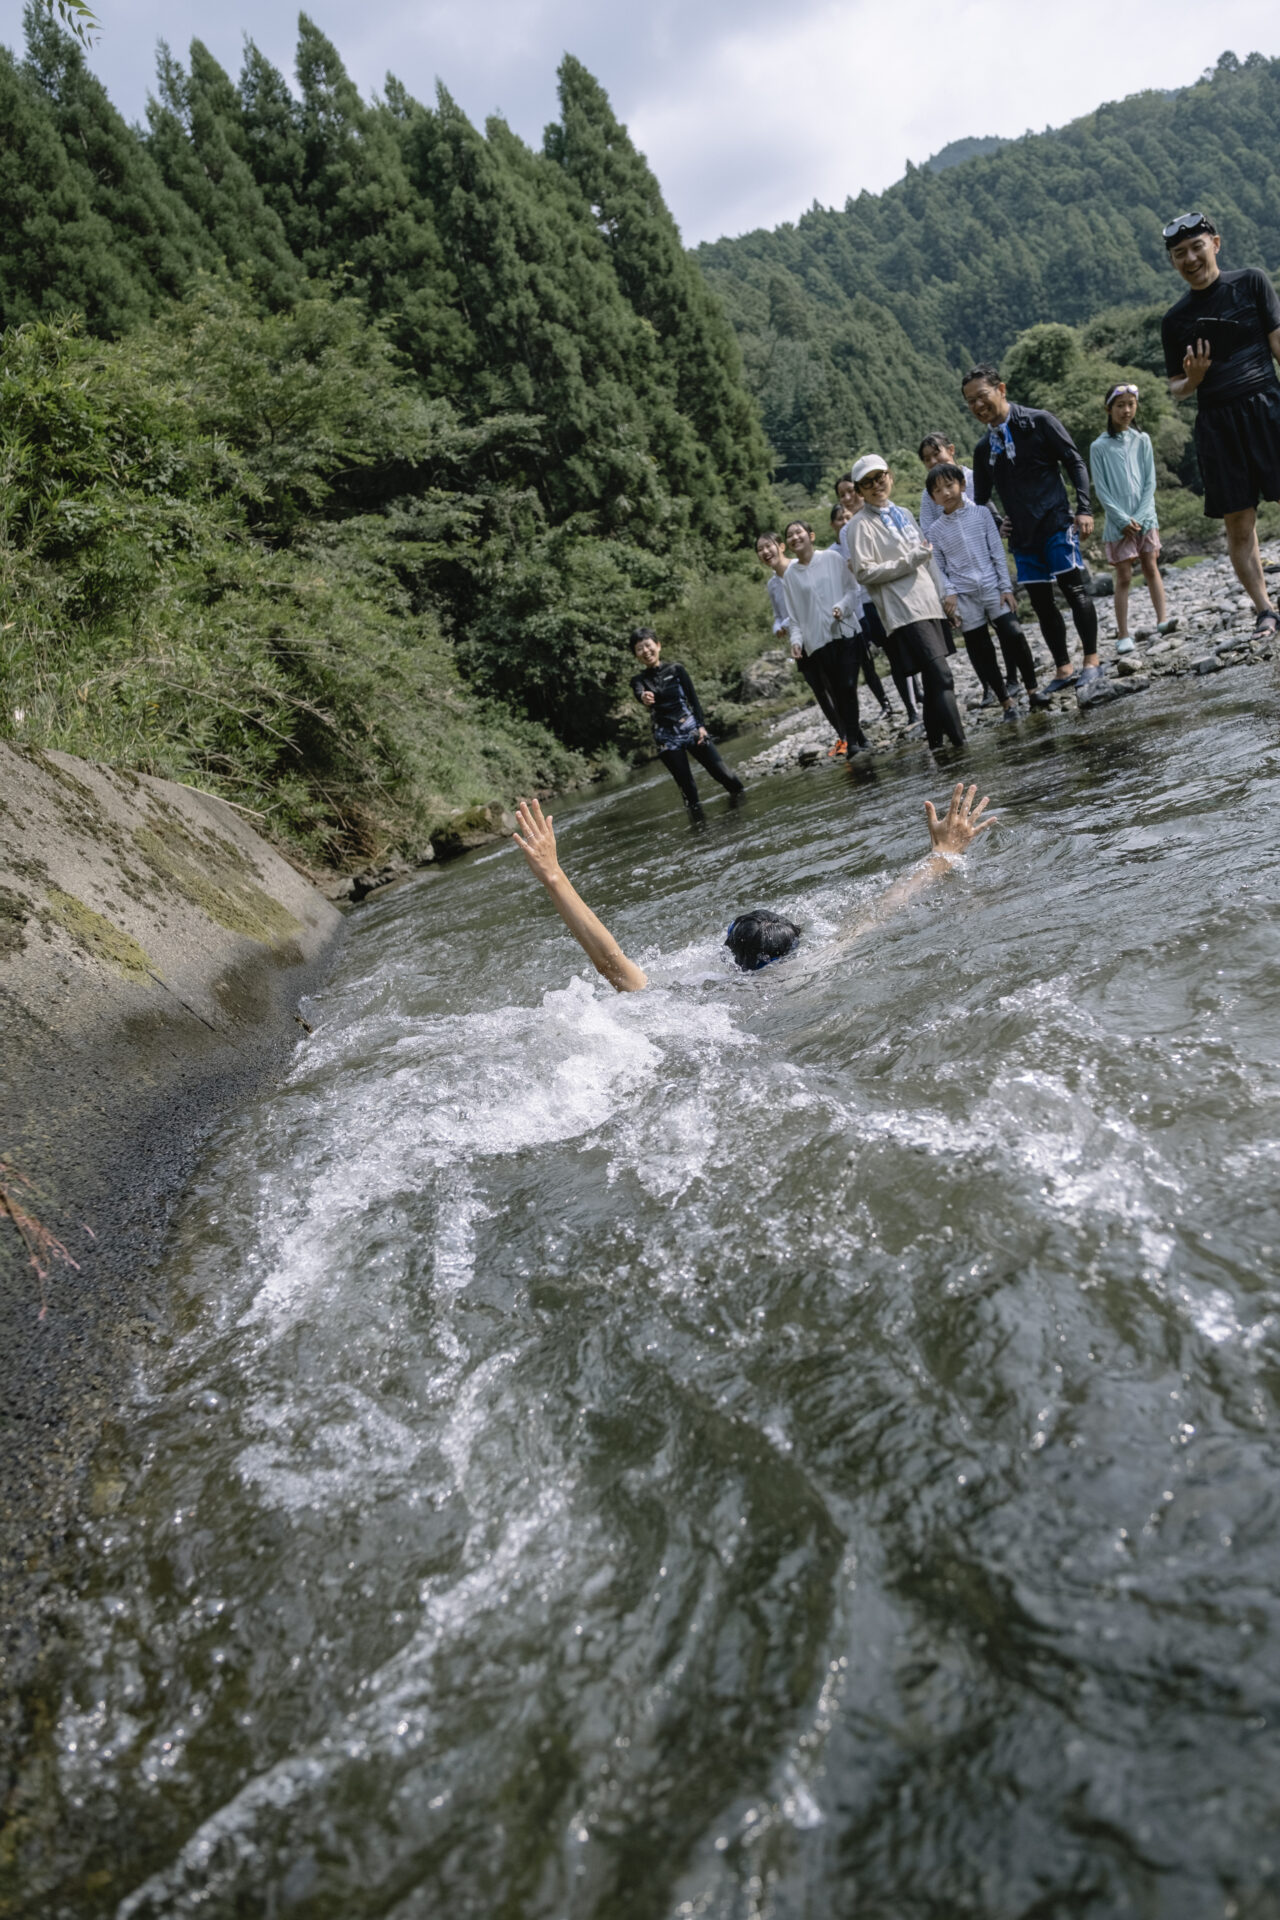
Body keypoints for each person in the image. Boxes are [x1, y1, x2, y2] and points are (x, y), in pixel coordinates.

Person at [510, 784, 997, 991]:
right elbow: (889, 903)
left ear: (729, 952)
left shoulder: (709, 993)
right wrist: (943, 855)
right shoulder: (822, 960)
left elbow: (613, 966)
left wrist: (553, 874)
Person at [1160, 212, 1280, 640]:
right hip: (1217, 423)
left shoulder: (1251, 282)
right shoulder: (1174, 320)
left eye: (1197, 247)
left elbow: (1278, 343)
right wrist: (1193, 378)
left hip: (1267, 405)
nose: (1190, 259)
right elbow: (1177, 387)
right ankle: (1265, 610)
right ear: (1173, 261)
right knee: (1239, 522)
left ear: (1216, 243)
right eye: (1180, 253)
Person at [962, 364, 1105, 704]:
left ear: (1001, 389)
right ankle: (1063, 668)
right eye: (970, 402)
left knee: (1074, 590)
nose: (977, 406)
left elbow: (1074, 461)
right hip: (1023, 537)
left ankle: (1092, 660)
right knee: (1042, 605)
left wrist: (1084, 508)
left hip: (1056, 521)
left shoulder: (1039, 422)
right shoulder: (984, 448)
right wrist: (998, 522)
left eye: (982, 396)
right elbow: (980, 498)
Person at [846, 454, 966, 750]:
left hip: (928, 603)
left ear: (890, 476)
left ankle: (937, 748)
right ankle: (962, 748)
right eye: (867, 482)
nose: (876, 485)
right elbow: (864, 572)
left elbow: (928, 558)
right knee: (943, 676)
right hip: (903, 609)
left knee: (934, 681)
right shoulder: (859, 525)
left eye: (880, 477)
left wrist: (944, 598)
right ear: (859, 490)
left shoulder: (903, 513)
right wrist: (908, 560)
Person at [925, 462, 1053, 720]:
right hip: (964, 596)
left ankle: (1032, 691)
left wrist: (1006, 587)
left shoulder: (981, 514)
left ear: (962, 485)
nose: (946, 492)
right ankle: (1006, 704)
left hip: (993, 587)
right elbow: (939, 568)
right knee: (981, 649)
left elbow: (997, 552)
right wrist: (949, 594)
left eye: (950, 485)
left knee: (1014, 634)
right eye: (938, 490)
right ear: (932, 498)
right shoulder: (935, 531)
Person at [1088, 384, 1178, 653]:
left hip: (1145, 516)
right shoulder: (1098, 446)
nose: (1126, 410)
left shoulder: (1142, 440)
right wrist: (1122, 519)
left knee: (1151, 567)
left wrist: (1139, 516)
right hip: (1118, 522)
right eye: (1120, 405)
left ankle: (1162, 620)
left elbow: (1150, 482)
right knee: (1124, 576)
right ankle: (1123, 634)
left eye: (1131, 404)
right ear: (1109, 409)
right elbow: (1101, 490)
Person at [630, 628, 744, 820]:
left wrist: (701, 726)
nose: (646, 651)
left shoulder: (676, 670)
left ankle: (742, 816)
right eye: (640, 649)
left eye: (648, 645)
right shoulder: (638, 680)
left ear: (658, 645)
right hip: (666, 738)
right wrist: (643, 696)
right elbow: (639, 692)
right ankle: (700, 832)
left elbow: (693, 699)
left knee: (725, 775)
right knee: (688, 790)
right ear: (636, 655)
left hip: (691, 728)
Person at [837, 472, 921, 725]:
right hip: (871, 600)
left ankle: (922, 696)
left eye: (851, 490)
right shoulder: (847, 530)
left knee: (913, 645)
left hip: (899, 590)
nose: (848, 497)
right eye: (842, 495)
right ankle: (911, 709)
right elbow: (854, 568)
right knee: (894, 654)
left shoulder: (888, 514)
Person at [781, 518, 871, 754]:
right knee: (838, 691)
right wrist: (796, 641)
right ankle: (858, 738)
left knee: (848, 685)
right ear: (788, 544)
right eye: (790, 535)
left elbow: (853, 590)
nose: (795, 537)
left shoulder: (832, 558)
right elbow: (794, 616)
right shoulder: (790, 576)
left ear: (810, 536)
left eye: (798, 532)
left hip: (846, 632)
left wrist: (842, 607)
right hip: (818, 642)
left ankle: (852, 742)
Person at [756, 531, 842, 739]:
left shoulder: (799, 567)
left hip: (818, 634)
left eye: (768, 546)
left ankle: (853, 733)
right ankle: (842, 736)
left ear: (781, 546)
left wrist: (786, 623)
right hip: (798, 642)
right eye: (760, 549)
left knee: (833, 685)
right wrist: (778, 627)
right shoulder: (772, 584)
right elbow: (778, 615)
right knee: (819, 690)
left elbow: (811, 604)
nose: (765, 552)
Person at [830, 504, 894, 732]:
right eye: (840, 519)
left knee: (892, 649)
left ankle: (915, 696)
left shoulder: (863, 535)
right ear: (832, 524)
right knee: (866, 663)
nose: (845, 522)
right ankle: (885, 703)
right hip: (854, 613)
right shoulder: (831, 554)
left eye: (848, 517)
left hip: (872, 602)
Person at [918, 432, 975, 536]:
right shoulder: (928, 494)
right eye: (927, 459)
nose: (933, 461)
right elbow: (927, 532)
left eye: (936, 454)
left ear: (951, 450)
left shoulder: (973, 478)